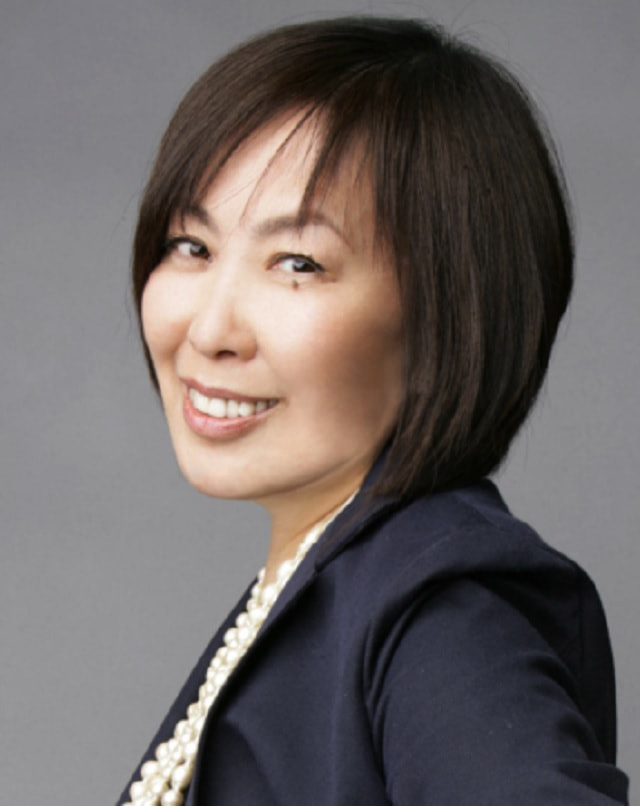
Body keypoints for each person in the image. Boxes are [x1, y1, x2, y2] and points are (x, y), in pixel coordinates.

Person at [118, 16, 629, 806]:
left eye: (298, 263)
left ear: (446, 320)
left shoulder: (439, 611)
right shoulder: (331, 581)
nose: (209, 329)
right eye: (191, 245)